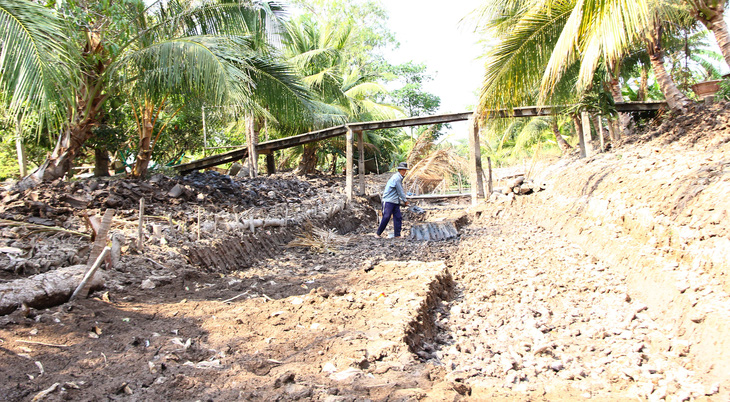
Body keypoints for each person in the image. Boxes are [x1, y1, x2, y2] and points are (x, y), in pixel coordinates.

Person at [375, 162, 409, 238]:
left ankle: (397, 235)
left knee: (398, 217)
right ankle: (378, 233)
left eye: (405, 170)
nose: (404, 172)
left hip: (395, 201)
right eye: (403, 170)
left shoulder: (399, 178)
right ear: (399, 170)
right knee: (386, 217)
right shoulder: (396, 178)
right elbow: (400, 191)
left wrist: (401, 200)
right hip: (388, 200)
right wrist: (405, 201)